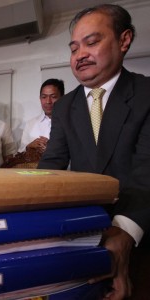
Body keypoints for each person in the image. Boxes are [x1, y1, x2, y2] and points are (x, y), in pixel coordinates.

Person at [38, 4, 150, 300]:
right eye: (74, 48)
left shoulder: (146, 94)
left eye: (92, 42)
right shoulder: (64, 106)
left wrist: (124, 233)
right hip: (79, 233)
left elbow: (146, 170)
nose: (80, 55)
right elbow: (52, 165)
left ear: (124, 40)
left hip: (138, 231)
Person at [18, 78, 65, 154]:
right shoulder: (30, 124)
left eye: (53, 97)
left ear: (63, 98)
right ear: (40, 98)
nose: (48, 101)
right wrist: (29, 146)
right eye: (44, 97)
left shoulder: (71, 122)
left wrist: (52, 148)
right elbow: (20, 152)